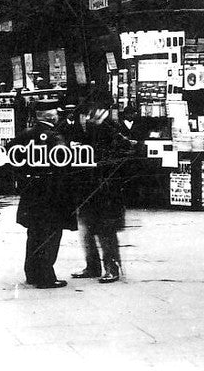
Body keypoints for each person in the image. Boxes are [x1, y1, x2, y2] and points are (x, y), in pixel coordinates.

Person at [11, 104, 76, 289]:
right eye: (56, 114)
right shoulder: (55, 136)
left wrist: (23, 177)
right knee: (51, 234)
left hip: (32, 193)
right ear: (50, 117)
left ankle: (32, 273)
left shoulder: (25, 134)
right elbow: (64, 162)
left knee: (34, 233)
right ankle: (46, 277)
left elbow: (9, 154)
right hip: (52, 194)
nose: (58, 117)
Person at [71, 99, 133, 282]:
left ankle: (112, 268)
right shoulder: (86, 128)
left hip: (106, 189)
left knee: (105, 229)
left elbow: (124, 152)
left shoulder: (110, 129)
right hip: (88, 186)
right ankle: (92, 266)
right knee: (86, 229)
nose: (87, 118)